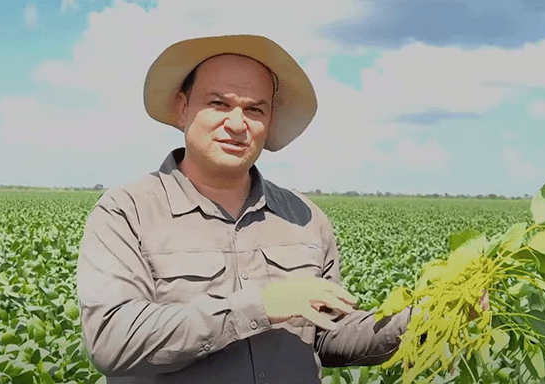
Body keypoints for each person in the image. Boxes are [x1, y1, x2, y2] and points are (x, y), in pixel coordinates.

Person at [76, 34, 485, 384]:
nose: (238, 123)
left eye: (255, 109)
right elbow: (114, 339)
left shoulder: (304, 218)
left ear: (269, 121)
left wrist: (424, 319)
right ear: (183, 107)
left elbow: (331, 335)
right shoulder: (126, 211)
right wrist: (261, 305)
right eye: (218, 103)